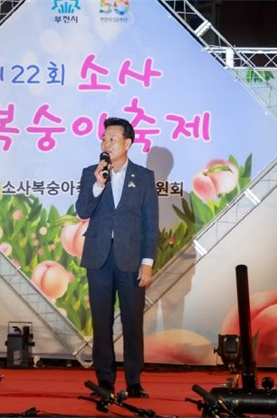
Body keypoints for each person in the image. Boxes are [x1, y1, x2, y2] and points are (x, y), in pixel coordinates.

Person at [76, 117, 159, 399]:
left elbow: (150, 222)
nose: (106, 143)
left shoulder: (144, 177)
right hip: (98, 258)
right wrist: (98, 185)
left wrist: (147, 262)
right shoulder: (91, 173)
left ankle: (134, 381)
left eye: (112, 139)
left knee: (132, 323)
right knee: (101, 323)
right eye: (104, 139)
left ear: (127, 143)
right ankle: (105, 380)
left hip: (131, 259)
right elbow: (83, 211)